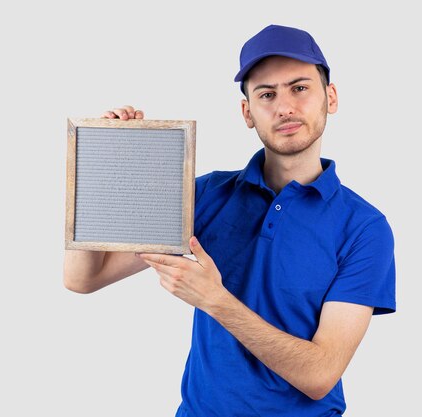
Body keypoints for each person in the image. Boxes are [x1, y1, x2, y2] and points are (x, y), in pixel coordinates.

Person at [63, 24, 396, 417]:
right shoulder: (205, 196)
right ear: (247, 112)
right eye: (266, 94)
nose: (285, 106)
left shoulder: (364, 228)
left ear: (331, 97)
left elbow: (320, 374)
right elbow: (83, 278)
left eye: (300, 88)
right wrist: (105, 158)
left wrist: (216, 301)